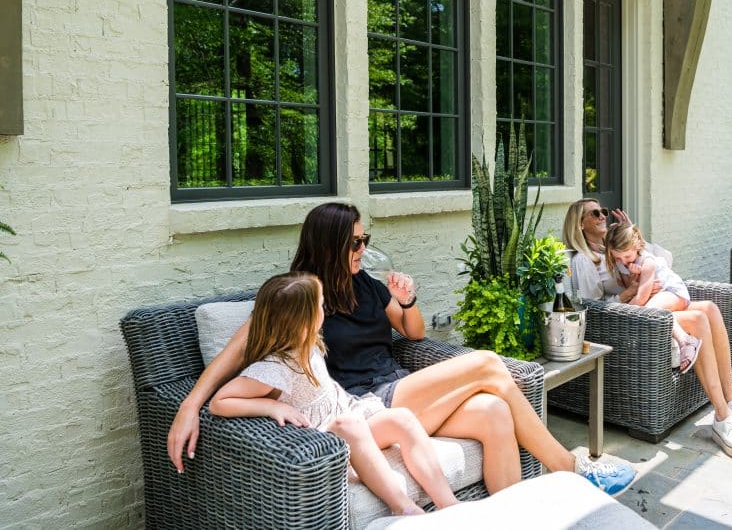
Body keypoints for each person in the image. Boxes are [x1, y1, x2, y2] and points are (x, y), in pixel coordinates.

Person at [168, 202, 636, 496]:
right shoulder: (306, 293)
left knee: (494, 410)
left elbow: (411, 332)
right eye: (356, 241)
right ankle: (570, 467)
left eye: (365, 239)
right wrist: (191, 405)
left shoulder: (365, 283)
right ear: (331, 244)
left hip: (400, 386)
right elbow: (241, 344)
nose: (364, 247)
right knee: (490, 365)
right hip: (369, 400)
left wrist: (408, 299)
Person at [209, 272, 459, 516]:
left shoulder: (310, 345)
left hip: (350, 417)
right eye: (320, 306)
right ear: (303, 319)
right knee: (349, 424)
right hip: (323, 442)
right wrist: (272, 407)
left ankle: (449, 505)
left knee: (401, 418)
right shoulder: (275, 368)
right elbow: (220, 402)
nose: (325, 310)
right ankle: (403, 507)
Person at [561, 198, 732, 461]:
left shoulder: (615, 244)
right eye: (594, 214)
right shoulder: (584, 260)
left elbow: (664, 261)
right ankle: (722, 417)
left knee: (710, 307)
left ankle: (731, 401)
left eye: (603, 211)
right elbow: (590, 306)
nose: (602, 216)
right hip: (631, 319)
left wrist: (635, 236)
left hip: (650, 306)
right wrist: (631, 291)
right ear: (580, 224)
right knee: (698, 318)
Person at [603, 222, 702, 373]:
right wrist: (633, 276)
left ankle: (686, 341)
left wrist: (620, 311)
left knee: (650, 310)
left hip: (673, 292)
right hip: (659, 296)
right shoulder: (622, 265)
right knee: (652, 310)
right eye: (617, 258)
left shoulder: (647, 262)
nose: (623, 261)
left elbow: (641, 299)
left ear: (637, 246)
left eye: (627, 256)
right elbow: (632, 289)